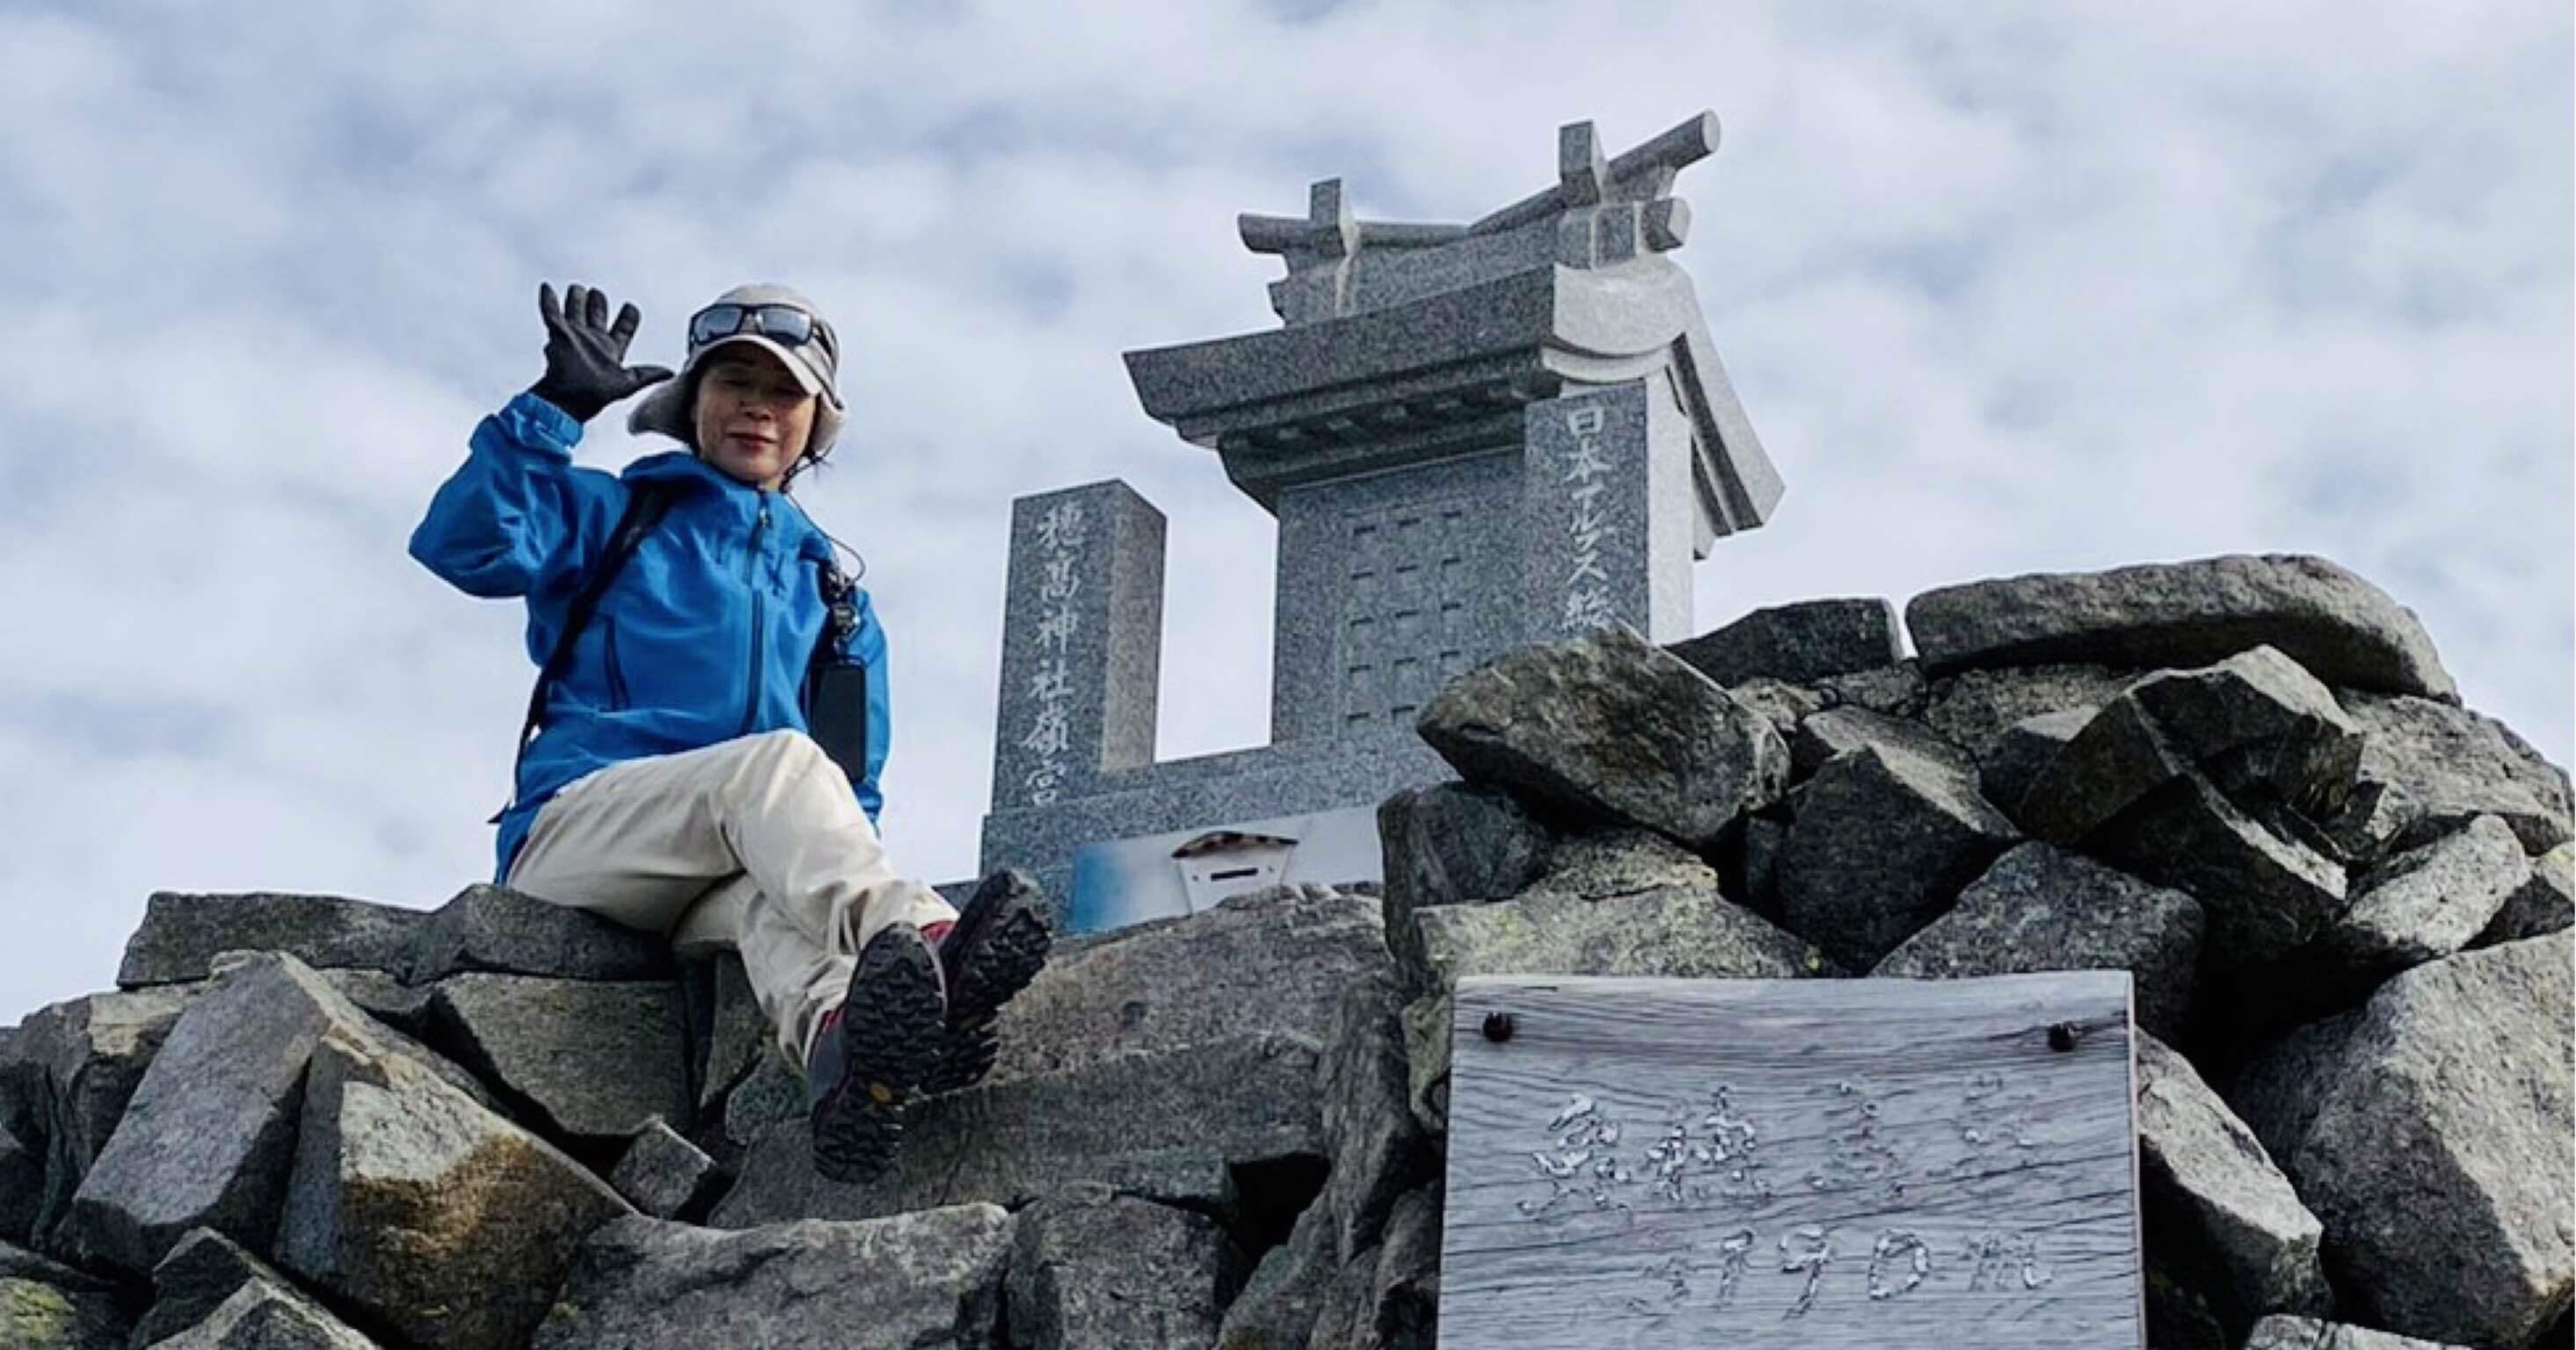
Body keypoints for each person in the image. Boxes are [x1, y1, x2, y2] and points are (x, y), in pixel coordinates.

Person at [409, 281, 1049, 1182]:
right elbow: (462, 546)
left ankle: (842, 1054)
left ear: (814, 425)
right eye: (734, 383)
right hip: (577, 836)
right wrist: (551, 412)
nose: (757, 406)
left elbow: (848, 795)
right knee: (776, 767)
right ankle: (934, 943)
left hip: (713, 876)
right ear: (692, 404)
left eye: (783, 391)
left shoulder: (834, 599)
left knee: (770, 900)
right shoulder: (613, 516)